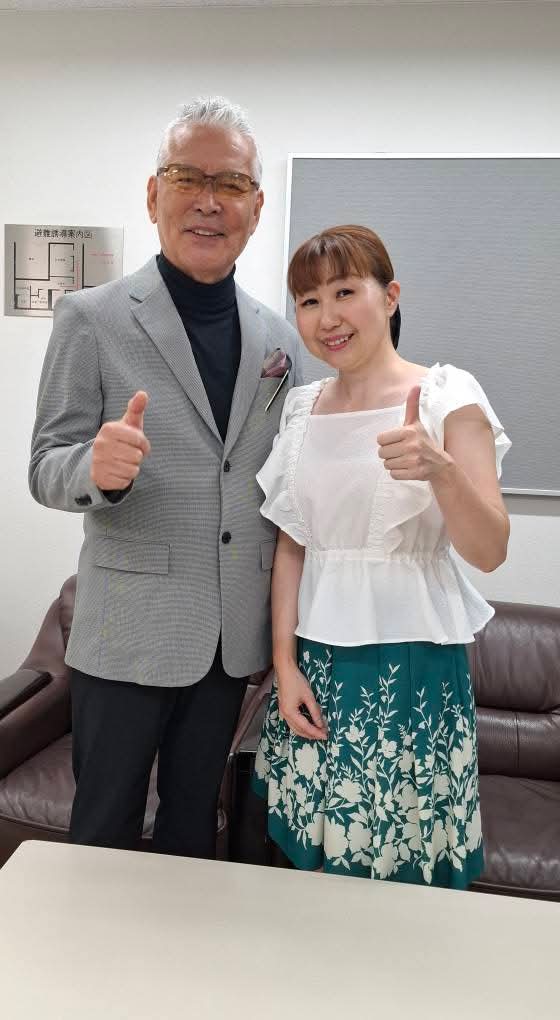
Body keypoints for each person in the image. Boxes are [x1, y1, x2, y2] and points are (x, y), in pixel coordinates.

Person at [29, 96, 303, 858]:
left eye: (231, 183)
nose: (209, 200)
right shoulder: (90, 318)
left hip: (228, 641)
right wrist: (96, 469)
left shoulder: (280, 340)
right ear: (154, 195)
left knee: (193, 835)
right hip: (125, 636)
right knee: (103, 833)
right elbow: (45, 465)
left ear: (255, 206)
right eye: (188, 177)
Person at [253, 224, 511, 887]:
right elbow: (292, 543)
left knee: (403, 857)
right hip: (315, 667)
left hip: (411, 667)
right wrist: (284, 664)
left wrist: (441, 471)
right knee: (313, 854)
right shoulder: (301, 408)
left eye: (345, 292)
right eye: (309, 301)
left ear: (389, 296)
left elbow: (490, 550)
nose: (327, 318)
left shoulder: (448, 396)